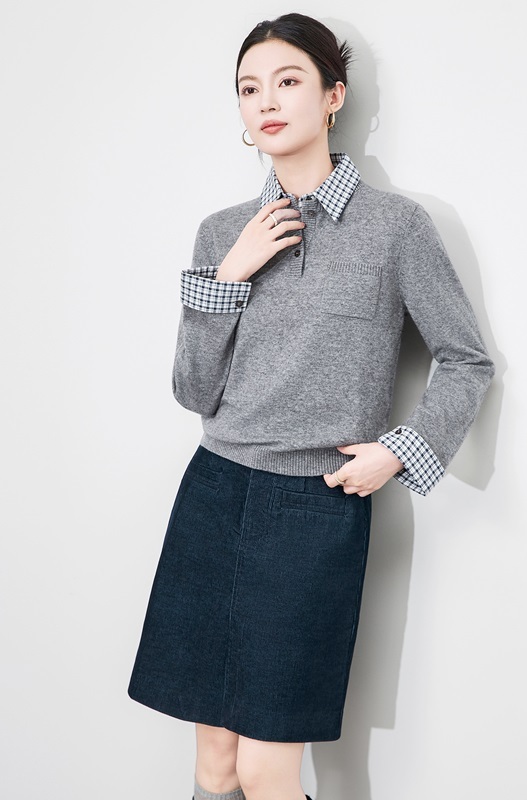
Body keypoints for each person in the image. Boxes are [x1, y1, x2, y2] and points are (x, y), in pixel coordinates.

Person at [127, 12, 495, 800]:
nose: (266, 100)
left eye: (288, 80)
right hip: (213, 494)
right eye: (248, 88)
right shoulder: (222, 232)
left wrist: (400, 451)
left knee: (266, 769)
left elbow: (467, 359)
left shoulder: (395, 228)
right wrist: (229, 276)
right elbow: (194, 391)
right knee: (214, 764)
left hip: (313, 510)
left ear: (334, 96)